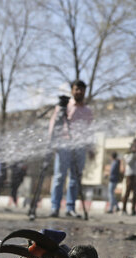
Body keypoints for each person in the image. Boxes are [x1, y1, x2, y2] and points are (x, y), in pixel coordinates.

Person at [49, 80, 94, 218]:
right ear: (72, 91)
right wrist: (52, 142)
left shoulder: (88, 111)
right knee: (59, 177)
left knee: (75, 178)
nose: (79, 92)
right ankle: (55, 207)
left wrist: (90, 147)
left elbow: (90, 130)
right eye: (76, 89)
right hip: (64, 144)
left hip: (80, 147)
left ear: (85, 92)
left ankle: (70, 208)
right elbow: (54, 124)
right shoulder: (64, 107)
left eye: (82, 89)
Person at [121, 138, 136, 216]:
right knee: (127, 192)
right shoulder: (128, 154)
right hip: (129, 175)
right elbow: (128, 162)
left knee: (135, 193)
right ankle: (124, 209)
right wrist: (133, 154)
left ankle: (133, 210)